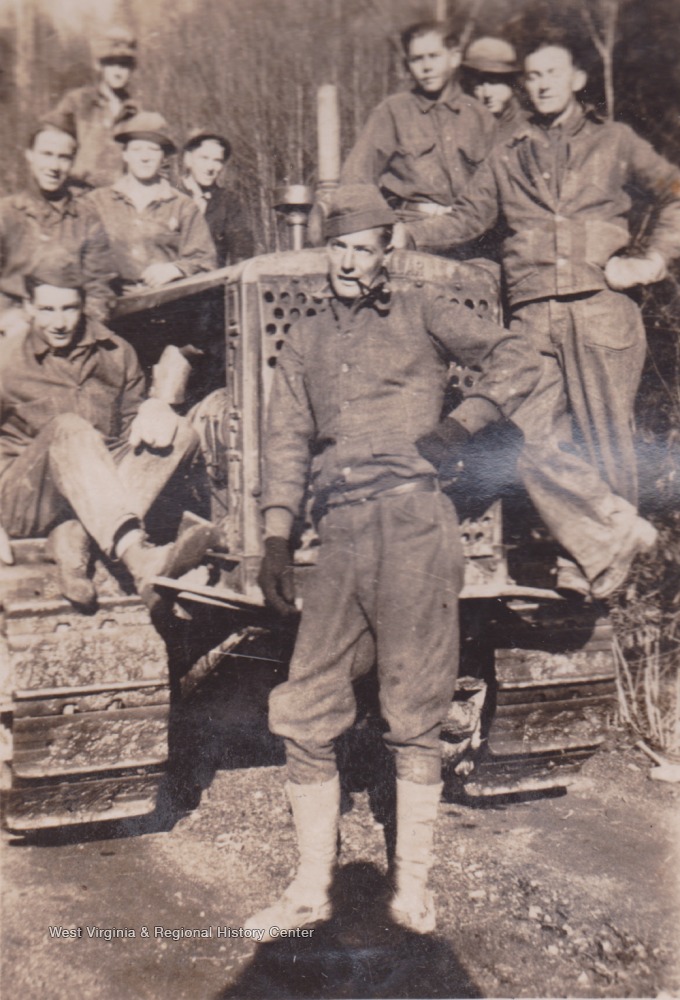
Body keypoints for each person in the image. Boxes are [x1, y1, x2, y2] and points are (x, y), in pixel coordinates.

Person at [244, 185, 541, 938]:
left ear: (387, 252)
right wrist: (277, 535)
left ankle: (412, 890)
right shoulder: (306, 338)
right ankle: (311, 891)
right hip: (340, 532)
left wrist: (463, 425)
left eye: (362, 248)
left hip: (416, 522)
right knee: (306, 707)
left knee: (415, 707)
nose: (348, 262)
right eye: (338, 248)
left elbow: (518, 354)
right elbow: (284, 439)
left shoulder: (422, 310)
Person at [398, 29, 680, 598]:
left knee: (606, 441)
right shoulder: (508, 151)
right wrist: (404, 233)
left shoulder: (616, 141)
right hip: (530, 313)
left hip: (600, 308)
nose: (542, 83)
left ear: (576, 79)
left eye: (552, 72)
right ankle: (611, 539)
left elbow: (674, 189)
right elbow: (467, 218)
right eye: (532, 75)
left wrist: (651, 260)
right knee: (522, 439)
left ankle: (596, 565)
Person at [0, 257, 214, 613]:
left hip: (96, 491)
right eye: (47, 309)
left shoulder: (116, 352)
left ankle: (73, 537)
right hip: (25, 497)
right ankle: (138, 557)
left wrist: (154, 407)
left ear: (83, 306)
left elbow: (132, 434)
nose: (59, 321)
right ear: (28, 308)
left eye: (69, 308)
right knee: (70, 428)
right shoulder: (6, 361)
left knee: (179, 432)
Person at [340, 21, 497, 220]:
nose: (426, 67)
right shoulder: (393, 111)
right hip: (411, 225)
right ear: (408, 65)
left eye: (434, 56)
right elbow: (356, 179)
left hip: (469, 230)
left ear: (455, 58)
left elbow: (498, 186)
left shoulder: (479, 116)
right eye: (417, 59)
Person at [0, 115, 115, 338]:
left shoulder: (86, 217)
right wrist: (8, 319)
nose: (54, 166)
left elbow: (99, 287)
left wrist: (83, 331)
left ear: (72, 162)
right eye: (47, 154)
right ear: (30, 155)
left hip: (69, 327)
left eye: (64, 158)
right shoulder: (5, 213)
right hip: (13, 328)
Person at [86, 111, 217, 291]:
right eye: (137, 149)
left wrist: (176, 269)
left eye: (153, 149)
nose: (145, 157)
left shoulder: (182, 206)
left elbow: (205, 261)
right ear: (125, 155)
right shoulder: (97, 202)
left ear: (163, 157)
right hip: (112, 304)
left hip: (165, 305)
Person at [52, 26, 139, 189]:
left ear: (132, 69)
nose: (118, 71)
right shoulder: (77, 102)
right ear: (100, 66)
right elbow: (52, 147)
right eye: (111, 63)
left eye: (125, 65)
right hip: (79, 193)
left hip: (119, 199)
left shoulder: (136, 113)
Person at [179, 127, 254, 267]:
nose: (210, 167)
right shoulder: (168, 194)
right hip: (168, 282)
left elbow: (242, 251)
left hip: (211, 283)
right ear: (188, 159)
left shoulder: (229, 202)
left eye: (217, 160)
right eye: (204, 158)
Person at [461, 36, 527, 141]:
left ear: (511, 84)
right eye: (479, 84)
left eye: (494, 82)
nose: (487, 94)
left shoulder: (529, 128)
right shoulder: (462, 126)